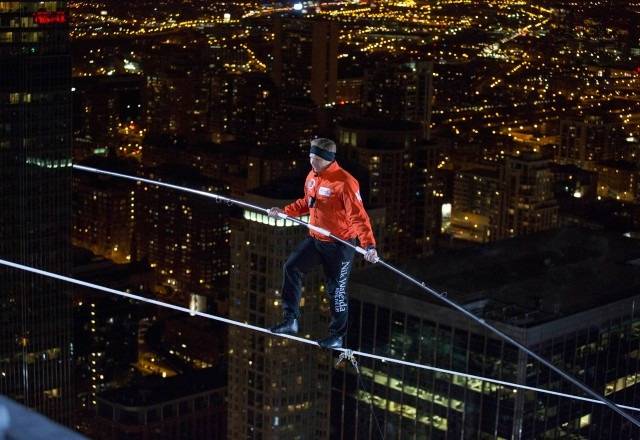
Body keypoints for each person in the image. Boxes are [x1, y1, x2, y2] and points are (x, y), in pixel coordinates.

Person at [267, 138, 378, 349]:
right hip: (316, 238)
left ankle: (337, 335)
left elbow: (359, 217)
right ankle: (291, 320)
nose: (312, 163)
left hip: (340, 245)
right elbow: (306, 203)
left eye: (316, 159)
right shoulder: (312, 177)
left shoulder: (345, 182)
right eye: (310, 158)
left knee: (336, 290)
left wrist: (369, 246)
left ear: (328, 160)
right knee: (291, 267)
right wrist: (285, 212)